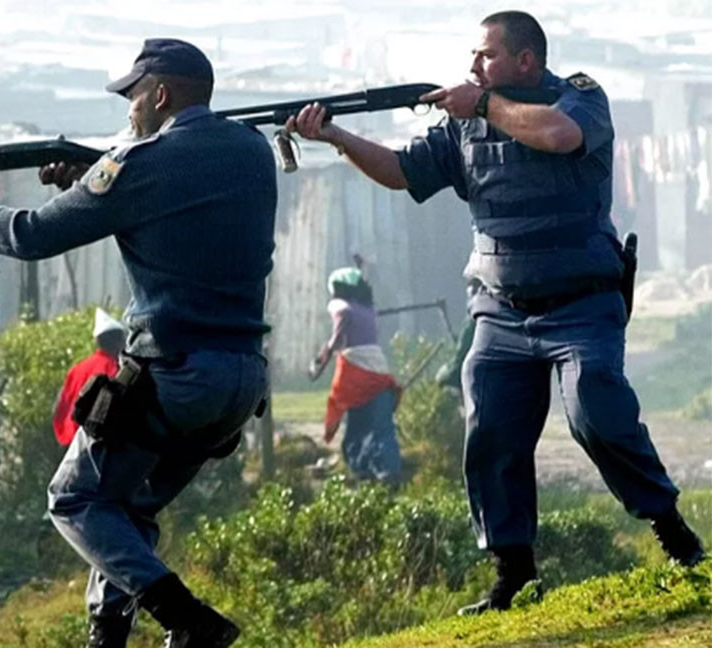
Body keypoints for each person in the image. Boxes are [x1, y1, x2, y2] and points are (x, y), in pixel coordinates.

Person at [288, 10, 705, 615]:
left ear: (526, 61)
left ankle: (675, 536)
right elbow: (403, 173)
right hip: (500, 314)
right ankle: (514, 573)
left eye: (486, 56)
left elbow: (558, 135)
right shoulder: (464, 127)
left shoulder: (579, 99)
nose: (473, 66)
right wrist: (335, 138)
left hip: (581, 303)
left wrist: (480, 105)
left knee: (597, 412)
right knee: (490, 435)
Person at [0, 38, 275, 648]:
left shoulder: (138, 167)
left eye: (134, 96)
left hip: (174, 376)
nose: (130, 109)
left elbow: (27, 234)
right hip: (241, 380)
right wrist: (92, 178)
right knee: (126, 508)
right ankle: (107, 635)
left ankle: (188, 620)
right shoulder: (251, 151)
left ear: (161, 93)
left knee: (73, 500)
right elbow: (181, 188)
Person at [309, 267, 403, 484]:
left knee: (354, 421)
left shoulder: (340, 308)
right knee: (380, 425)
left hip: (354, 370)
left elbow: (336, 338)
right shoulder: (369, 309)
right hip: (378, 369)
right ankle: (386, 472)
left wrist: (320, 362)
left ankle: (363, 470)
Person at [52, 308, 125, 447]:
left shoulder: (78, 368)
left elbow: (61, 405)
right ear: (116, 340)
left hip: (69, 440)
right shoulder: (113, 369)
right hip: (92, 445)